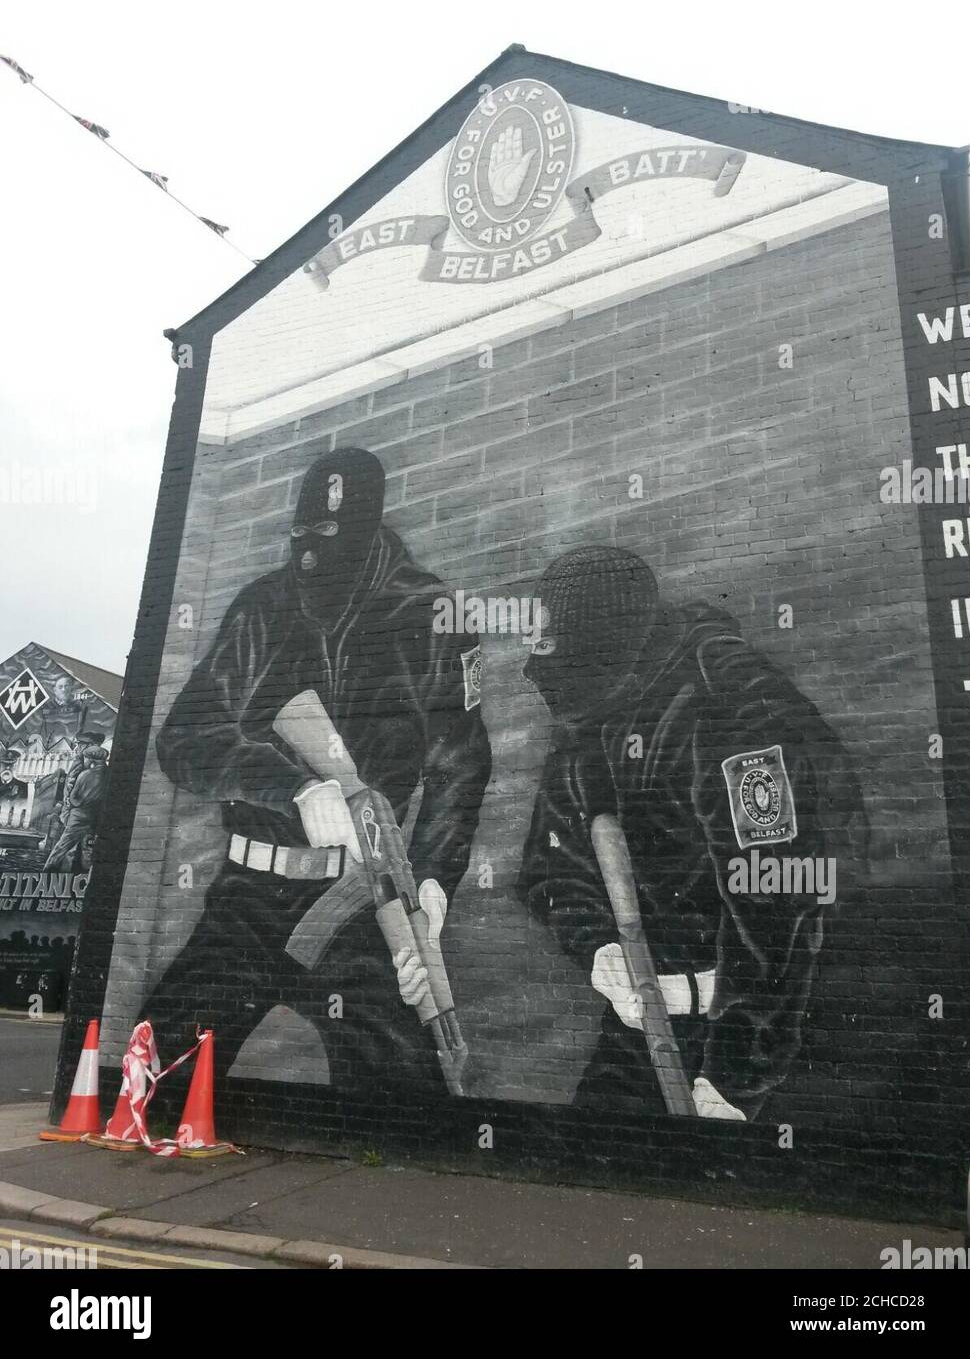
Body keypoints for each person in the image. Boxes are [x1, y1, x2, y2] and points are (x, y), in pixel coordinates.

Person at [144, 447, 492, 1097]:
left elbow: (460, 764)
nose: (307, 554)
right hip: (247, 897)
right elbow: (184, 737)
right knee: (151, 1074)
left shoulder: (429, 615)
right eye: (298, 536)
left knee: (406, 1094)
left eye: (327, 535)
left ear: (365, 526)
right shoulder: (263, 609)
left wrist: (434, 881)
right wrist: (294, 787)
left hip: (361, 897)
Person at [517, 546, 866, 1122]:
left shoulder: (729, 707)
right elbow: (550, 862)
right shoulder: (591, 716)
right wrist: (599, 946)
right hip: (655, 1012)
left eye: (547, 646)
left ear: (596, 644)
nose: (532, 667)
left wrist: (733, 1078)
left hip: (775, 1019)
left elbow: (780, 895)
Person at [42, 746, 109, 871]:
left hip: (79, 817)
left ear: (91, 760)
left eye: (86, 758)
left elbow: (74, 799)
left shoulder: (85, 775)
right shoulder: (109, 774)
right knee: (89, 849)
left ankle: (47, 872)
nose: (85, 761)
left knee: (61, 848)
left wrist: (70, 802)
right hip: (96, 818)